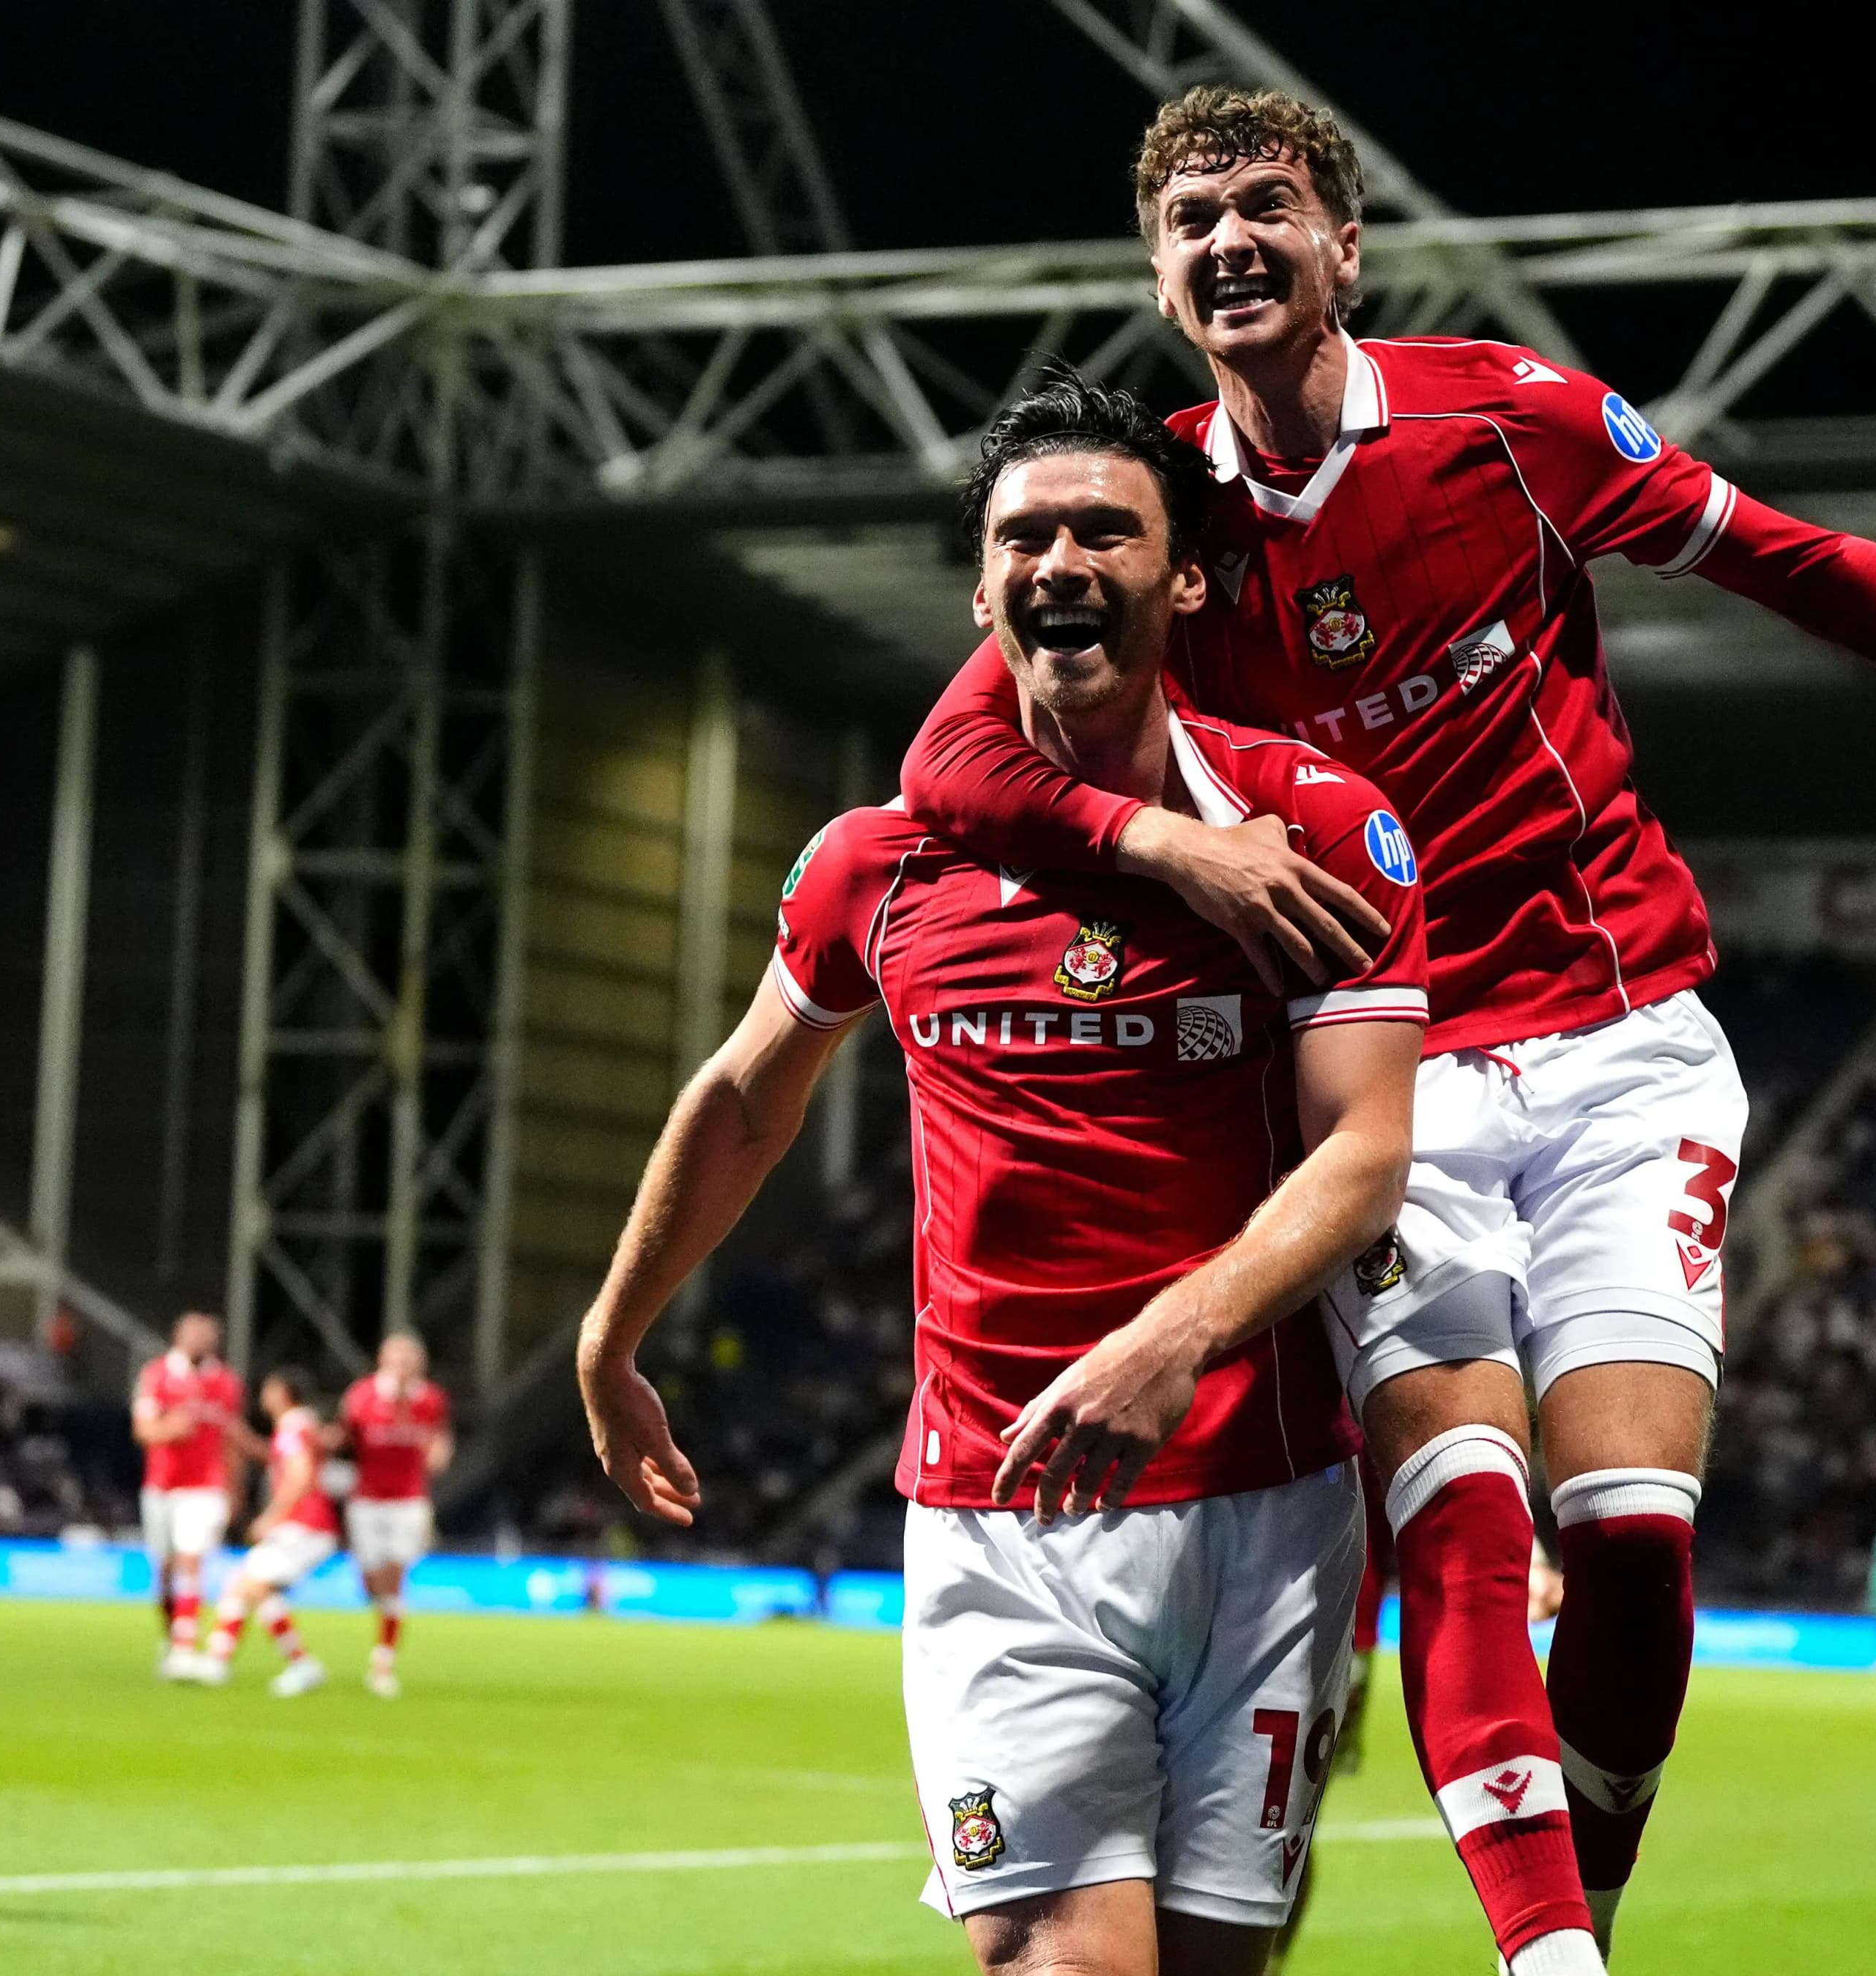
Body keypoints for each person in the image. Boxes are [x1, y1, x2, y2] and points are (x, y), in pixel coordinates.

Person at [897, 89, 1876, 1970]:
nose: (1231, 240)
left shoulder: (1506, 420)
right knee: (1465, 1515)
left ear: (1344, 246)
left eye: (1267, 204)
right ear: (1163, 279)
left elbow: (1774, 550)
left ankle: (1584, 1879)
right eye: (1191, 221)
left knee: (1637, 1541)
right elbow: (952, 758)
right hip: (1380, 1083)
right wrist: (1163, 839)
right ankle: (1549, 1955)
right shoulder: (1148, 513)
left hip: (1614, 1041)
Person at [578, 372, 1430, 1976]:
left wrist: (1171, 1339)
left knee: (1210, 1965)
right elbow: (743, 1102)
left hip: (1271, 1498)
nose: (1062, 560)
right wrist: (611, 1335)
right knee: (1064, 1959)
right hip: (999, 1505)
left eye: (1107, 528)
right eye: (1024, 535)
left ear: (1183, 577)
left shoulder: (1312, 824)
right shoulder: (874, 865)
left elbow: (1367, 1155)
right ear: (981, 590)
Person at [194, 1366, 335, 1697]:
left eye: (269, 1389)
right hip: (307, 1527)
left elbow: (299, 1477)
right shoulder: (300, 1425)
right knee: (242, 1586)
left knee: (252, 1586)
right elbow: (281, 1460)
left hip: (304, 1527)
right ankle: (218, 1660)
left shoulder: (294, 1428)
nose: (264, 1396)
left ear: (283, 1393)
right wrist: (241, 1438)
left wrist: (272, 1516)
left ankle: (301, 1664)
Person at [133, 1311, 251, 1679]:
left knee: (191, 1560)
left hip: (206, 1487)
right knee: (166, 1572)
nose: (200, 1340)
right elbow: (144, 1431)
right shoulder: (156, 1376)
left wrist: (235, 1487)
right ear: (178, 1336)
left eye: (207, 1334)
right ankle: (173, 1636)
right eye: (193, 1333)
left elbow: (231, 1438)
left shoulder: (227, 1383)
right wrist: (170, 1429)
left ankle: (185, 1649)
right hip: (163, 1486)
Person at [339, 1329, 453, 1698]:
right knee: (372, 1582)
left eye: (410, 1359)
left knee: (394, 1577)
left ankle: (383, 1663)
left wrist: (439, 1452)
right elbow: (345, 1439)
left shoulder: (431, 1400)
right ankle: (383, 1617)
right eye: (397, 1359)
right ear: (383, 1361)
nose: (404, 1366)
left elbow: (440, 1436)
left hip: (409, 1500)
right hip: (367, 1499)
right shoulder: (362, 1396)